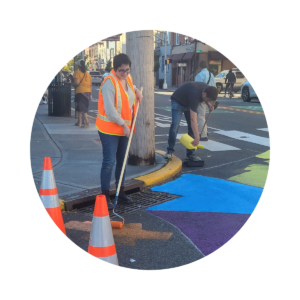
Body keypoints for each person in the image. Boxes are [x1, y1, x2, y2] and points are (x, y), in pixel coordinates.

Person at [96, 53, 143, 209]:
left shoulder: (127, 79)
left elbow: (131, 88)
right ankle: (104, 196)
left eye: (127, 70)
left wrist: (137, 91)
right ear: (114, 69)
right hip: (109, 129)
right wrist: (123, 125)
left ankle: (120, 192)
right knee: (109, 162)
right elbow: (110, 110)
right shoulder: (109, 83)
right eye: (121, 70)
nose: (125, 74)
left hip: (124, 128)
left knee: (122, 162)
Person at [164, 82, 218, 161]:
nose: (208, 102)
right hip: (177, 101)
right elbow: (193, 120)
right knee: (175, 125)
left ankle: (190, 154)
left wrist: (209, 104)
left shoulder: (207, 88)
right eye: (208, 100)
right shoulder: (194, 95)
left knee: (191, 128)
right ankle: (169, 151)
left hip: (188, 103)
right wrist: (197, 137)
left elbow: (206, 99)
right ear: (204, 94)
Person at [195, 61, 216, 141]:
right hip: (210, 97)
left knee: (200, 116)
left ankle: (203, 134)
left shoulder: (200, 75)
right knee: (202, 115)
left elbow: (196, 87)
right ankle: (204, 131)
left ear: (200, 67)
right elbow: (214, 87)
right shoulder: (211, 75)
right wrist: (211, 103)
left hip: (201, 97)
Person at [69, 59, 92, 128]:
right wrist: (91, 94)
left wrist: (72, 83)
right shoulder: (88, 74)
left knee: (82, 108)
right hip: (87, 92)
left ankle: (87, 122)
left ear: (79, 66)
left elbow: (76, 83)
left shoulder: (77, 73)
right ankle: (79, 121)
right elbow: (90, 84)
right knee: (81, 107)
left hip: (80, 91)